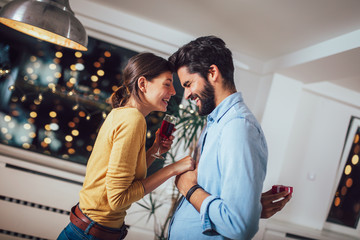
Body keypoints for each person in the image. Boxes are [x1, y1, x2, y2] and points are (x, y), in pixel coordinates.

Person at [57, 52, 195, 240]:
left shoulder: (122, 114)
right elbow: (118, 199)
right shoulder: (133, 120)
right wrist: (173, 169)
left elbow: (126, 180)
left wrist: (155, 150)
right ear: (143, 84)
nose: (173, 92)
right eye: (167, 84)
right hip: (89, 235)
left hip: (88, 231)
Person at [167, 35, 286, 239]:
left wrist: (188, 187)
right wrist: (251, 207)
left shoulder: (237, 127)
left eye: (188, 84)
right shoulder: (215, 123)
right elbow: (229, 204)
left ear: (212, 72)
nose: (186, 95)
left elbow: (239, 227)